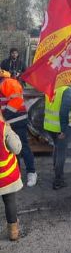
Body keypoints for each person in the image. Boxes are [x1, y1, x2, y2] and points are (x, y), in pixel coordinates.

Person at [0, 69, 37, 187]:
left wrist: (5, 116)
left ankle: (31, 172)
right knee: (12, 149)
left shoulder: (8, 82)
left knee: (23, 147)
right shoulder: (6, 82)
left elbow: (16, 100)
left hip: (16, 121)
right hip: (9, 122)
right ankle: (18, 174)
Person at [44, 86, 71, 189]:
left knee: (57, 148)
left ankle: (56, 171)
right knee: (61, 152)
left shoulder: (52, 87)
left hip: (49, 125)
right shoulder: (67, 90)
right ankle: (58, 180)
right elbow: (63, 112)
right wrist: (64, 130)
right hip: (59, 127)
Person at [0, 110, 22, 241]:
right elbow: (17, 148)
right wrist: (11, 131)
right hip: (5, 176)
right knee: (9, 202)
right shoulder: (4, 129)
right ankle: (13, 232)